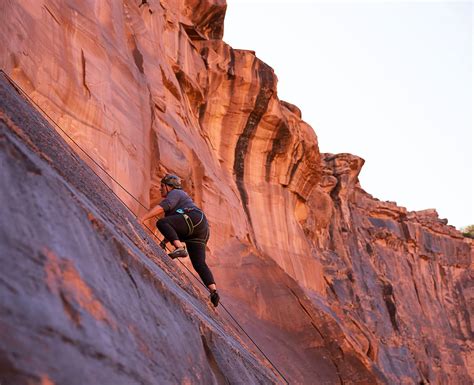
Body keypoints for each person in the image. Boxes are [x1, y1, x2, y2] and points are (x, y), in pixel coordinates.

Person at [139, 174, 220, 307]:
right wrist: (165, 241)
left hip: (193, 218)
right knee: (199, 263)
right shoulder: (182, 198)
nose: (160, 189)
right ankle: (214, 292)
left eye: (162, 186)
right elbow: (176, 226)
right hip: (200, 228)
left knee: (162, 223)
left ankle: (180, 248)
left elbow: (163, 208)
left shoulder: (176, 193)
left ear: (169, 186)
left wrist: (142, 219)